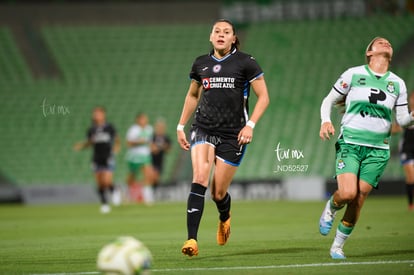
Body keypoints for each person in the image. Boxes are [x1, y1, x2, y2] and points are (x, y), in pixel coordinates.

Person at [177, 19, 270, 257]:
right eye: (217, 31)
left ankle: (225, 216)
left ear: (233, 38)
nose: (221, 34)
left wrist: (250, 125)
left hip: (234, 133)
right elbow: (192, 95)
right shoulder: (201, 63)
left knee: (218, 193)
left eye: (226, 32)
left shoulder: (246, 62)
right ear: (210, 36)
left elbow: (264, 97)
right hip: (203, 127)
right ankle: (191, 240)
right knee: (199, 176)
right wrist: (180, 125)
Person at [318, 37, 414, 259]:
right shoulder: (353, 74)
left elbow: (402, 120)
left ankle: (337, 246)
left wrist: (411, 117)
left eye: (389, 42)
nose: (386, 43)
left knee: (359, 198)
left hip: (378, 150)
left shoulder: (398, 83)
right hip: (351, 143)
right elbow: (328, 100)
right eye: (380, 42)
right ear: (369, 53)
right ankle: (332, 207)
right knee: (348, 193)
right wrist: (325, 120)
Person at [73, 106, 121, 214]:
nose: (96, 115)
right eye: (95, 113)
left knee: (107, 181)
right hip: (96, 158)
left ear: (103, 114)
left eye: (98, 113)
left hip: (108, 156)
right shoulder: (92, 129)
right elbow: (90, 142)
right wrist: (81, 146)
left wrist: (117, 147)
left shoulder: (109, 127)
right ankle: (104, 204)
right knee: (100, 183)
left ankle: (114, 190)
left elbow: (117, 138)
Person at [126, 112, 154, 204]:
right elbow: (129, 143)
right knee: (132, 176)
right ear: (138, 120)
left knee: (148, 174)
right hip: (134, 156)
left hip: (145, 155)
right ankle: (127, 194)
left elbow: (150, 142)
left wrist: (153, 147)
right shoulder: (133, 130)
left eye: (145, 119)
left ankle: (148, 198)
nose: (144, 121)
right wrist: (139, 142)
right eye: (142, 119)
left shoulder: (149, 129)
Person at [393, 92, 414, 210]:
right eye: (412, 98)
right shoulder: (404, 114)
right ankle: (411, 204)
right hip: (407, 148)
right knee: (411, 176)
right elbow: (396, 128)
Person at [151, 118, 172, 186]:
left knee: (157, 178)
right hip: (151, 160)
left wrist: (158, 147)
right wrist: (162, 147)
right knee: (153, 177)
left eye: (162, 127)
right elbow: (152, 149)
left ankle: (154, 191)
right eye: (159, 126)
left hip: (160, 160)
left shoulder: (166, 138)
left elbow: (168, 149)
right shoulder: (152, 137)